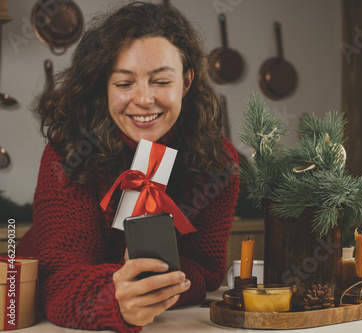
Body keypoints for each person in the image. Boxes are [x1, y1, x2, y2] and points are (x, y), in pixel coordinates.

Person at [17, 2, 239, 332]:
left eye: (161, 81)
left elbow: (205, 269)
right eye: (124, 83)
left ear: (187, 81)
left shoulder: (217, 162)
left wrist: (154, 282)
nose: (144, 99)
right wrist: (114, 297)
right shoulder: (70, 152)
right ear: (102, 85)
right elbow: (59, 277)